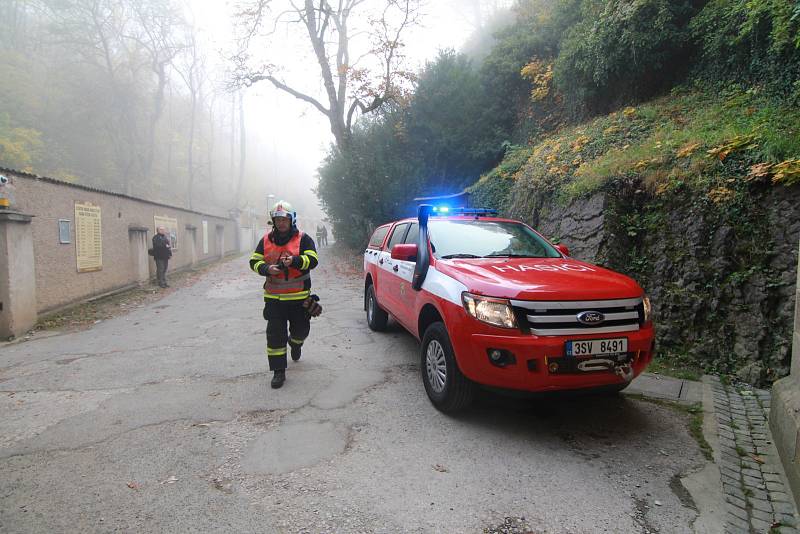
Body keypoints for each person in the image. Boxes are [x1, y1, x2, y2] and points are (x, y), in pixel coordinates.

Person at [249, 200, 319, 389]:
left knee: (300, 331)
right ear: (273, 221)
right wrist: (265, 268)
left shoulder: (304, 239)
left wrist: (295, 261)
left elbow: (313, 260)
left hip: (299, 298)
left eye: (284, 219)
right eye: (277, 219)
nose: (281, 222)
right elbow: (254, 261)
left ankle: (295, 344)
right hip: (274, 300)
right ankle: (278, 371)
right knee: (275, 336)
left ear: (291, 220)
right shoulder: (265, 240)